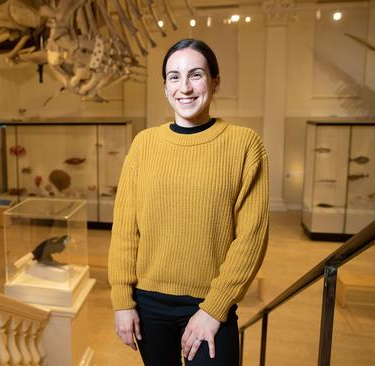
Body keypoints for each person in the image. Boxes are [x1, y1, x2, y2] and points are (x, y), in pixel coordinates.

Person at [108, 38, 269, 366]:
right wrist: (121, 300)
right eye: (174, 77)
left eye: (196, 75)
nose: (185, 87)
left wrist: (214, 308)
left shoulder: (245, 145)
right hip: (148, 306)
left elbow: (251, 237)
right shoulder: (144, 144)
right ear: (165, 87)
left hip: (210, 304)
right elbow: (125, 228)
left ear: (215, 81)